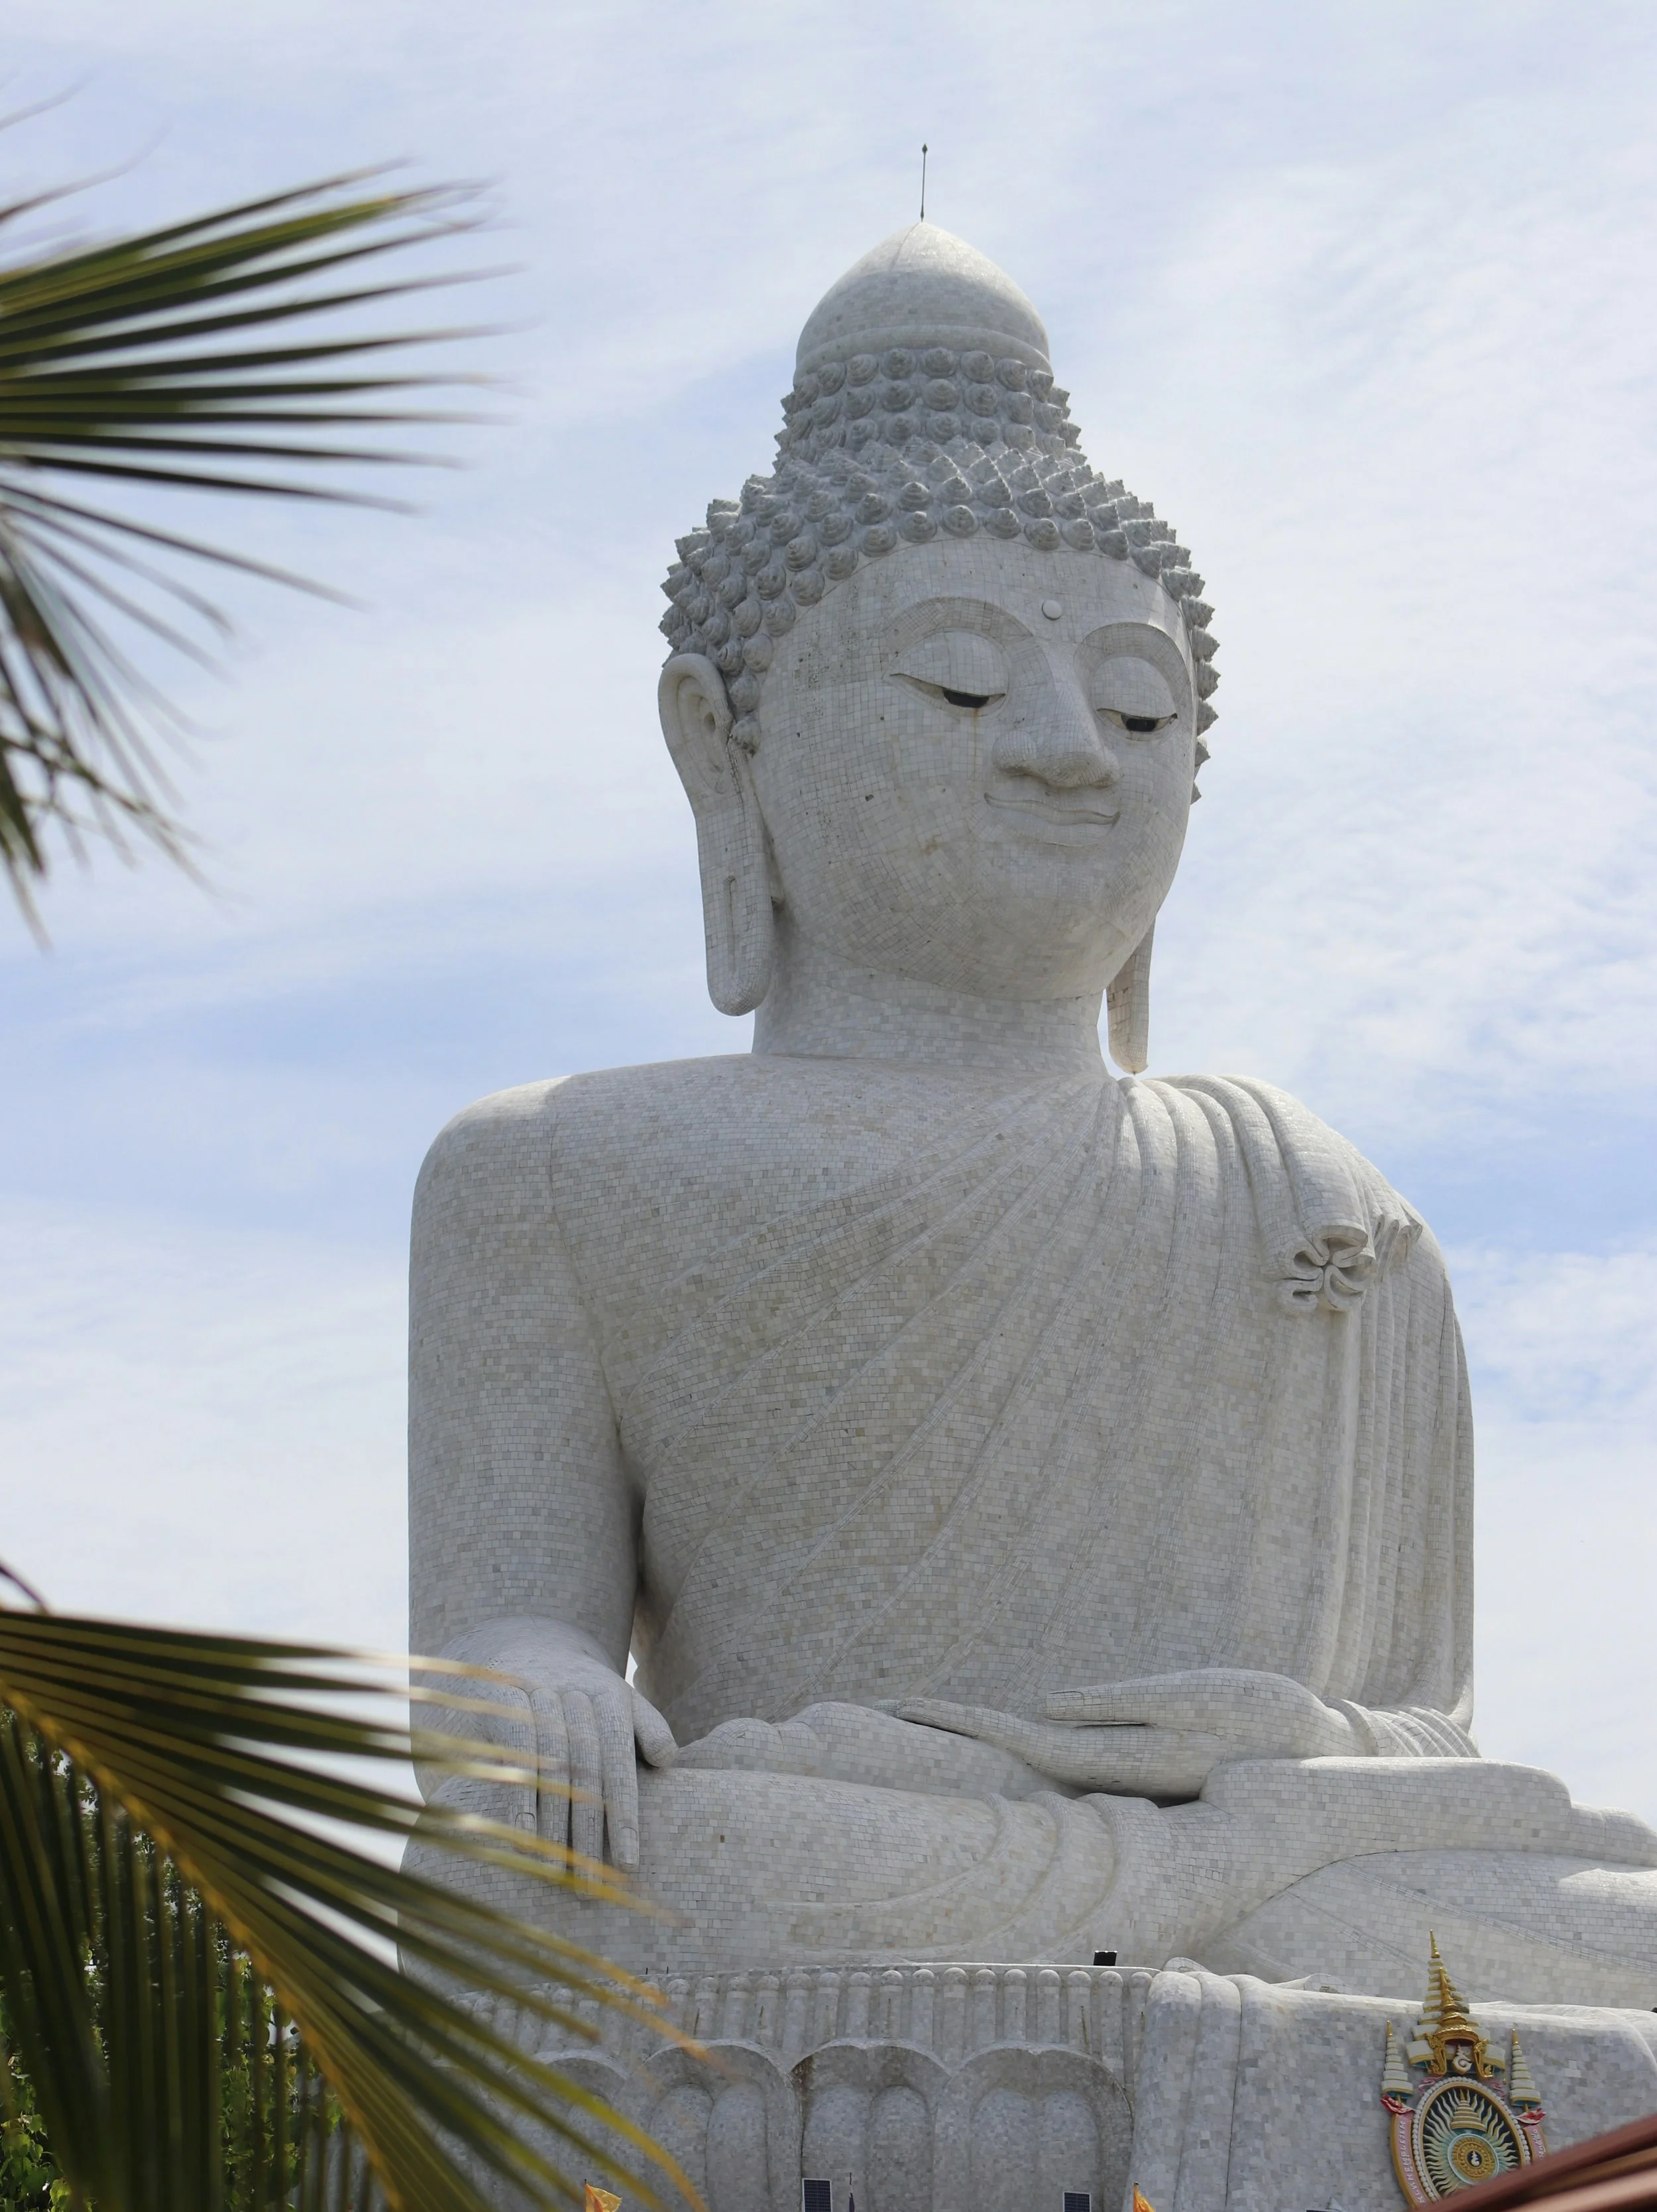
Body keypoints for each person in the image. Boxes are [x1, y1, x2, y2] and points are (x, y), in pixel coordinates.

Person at [407, 225, 1657, 2004]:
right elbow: (497, 1627)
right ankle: (1207, 1927)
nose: (1071, 746)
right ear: (722, 747)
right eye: (964, 684)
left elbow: (1418, 1722)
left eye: (1141, 704)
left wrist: (1288, 1742)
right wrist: (525, 1677)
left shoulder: (1312, 1189)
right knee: (585, 1860)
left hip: (1277, 1852)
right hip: (836, 1837)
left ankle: (1210, 1911)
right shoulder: (550, 1168)